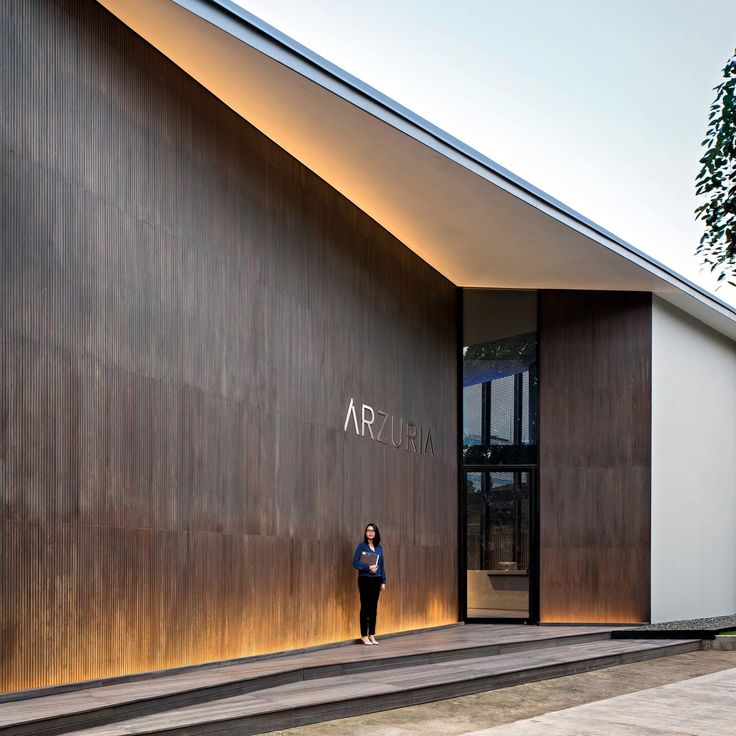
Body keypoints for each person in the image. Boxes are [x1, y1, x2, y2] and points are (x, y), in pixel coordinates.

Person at [352, 522, 386, 645]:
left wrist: (383, 580)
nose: (370, 532)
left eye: (372, 530)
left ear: (376, 533)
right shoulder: (362, 546)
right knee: (365, 608)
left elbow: (382, 565)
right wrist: (368, 567)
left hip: (376, 581)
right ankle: (364, 636)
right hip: (365, 580)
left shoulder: (379, 548)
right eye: (368, 530)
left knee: (373, 609)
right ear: (365, 533)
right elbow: (355, 563)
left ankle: (372, 634)